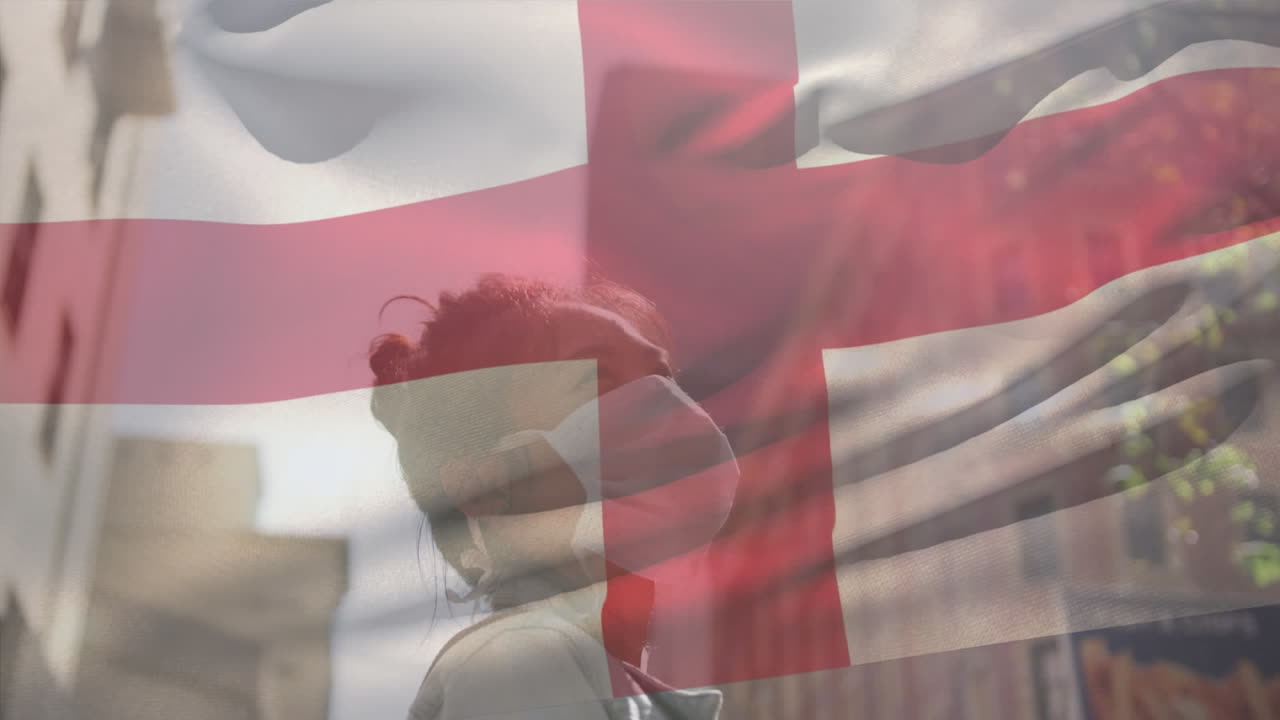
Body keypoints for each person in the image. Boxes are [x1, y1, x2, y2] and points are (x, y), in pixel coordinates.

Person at [368, 274, 739, 720]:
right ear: (486, 483)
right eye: (598, 378)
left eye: (661, 377)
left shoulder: (592, 674)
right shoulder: (519, 663)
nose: (662, 402)